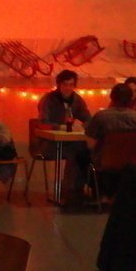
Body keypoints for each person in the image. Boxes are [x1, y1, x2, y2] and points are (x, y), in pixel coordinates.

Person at [37, 70, 92, 206]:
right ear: (59, 85)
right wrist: (60, 127)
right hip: (48, 143)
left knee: (84, 150)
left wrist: (82, 125)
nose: (68, 88)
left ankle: (76, 188)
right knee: (76, 151)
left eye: (71, 85)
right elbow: (42, 123)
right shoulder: (48, 100)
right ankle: (70, 189)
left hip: (70, 142)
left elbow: (89, 119)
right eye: (65, 84)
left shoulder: (77, 100)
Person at [85, 83, 136, 198]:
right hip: (132, 163)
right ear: (130, 99)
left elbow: (91, 144)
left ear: (112, 97)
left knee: (81, 155)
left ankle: (97, 193)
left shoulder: (101, 117)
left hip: (106, 162)